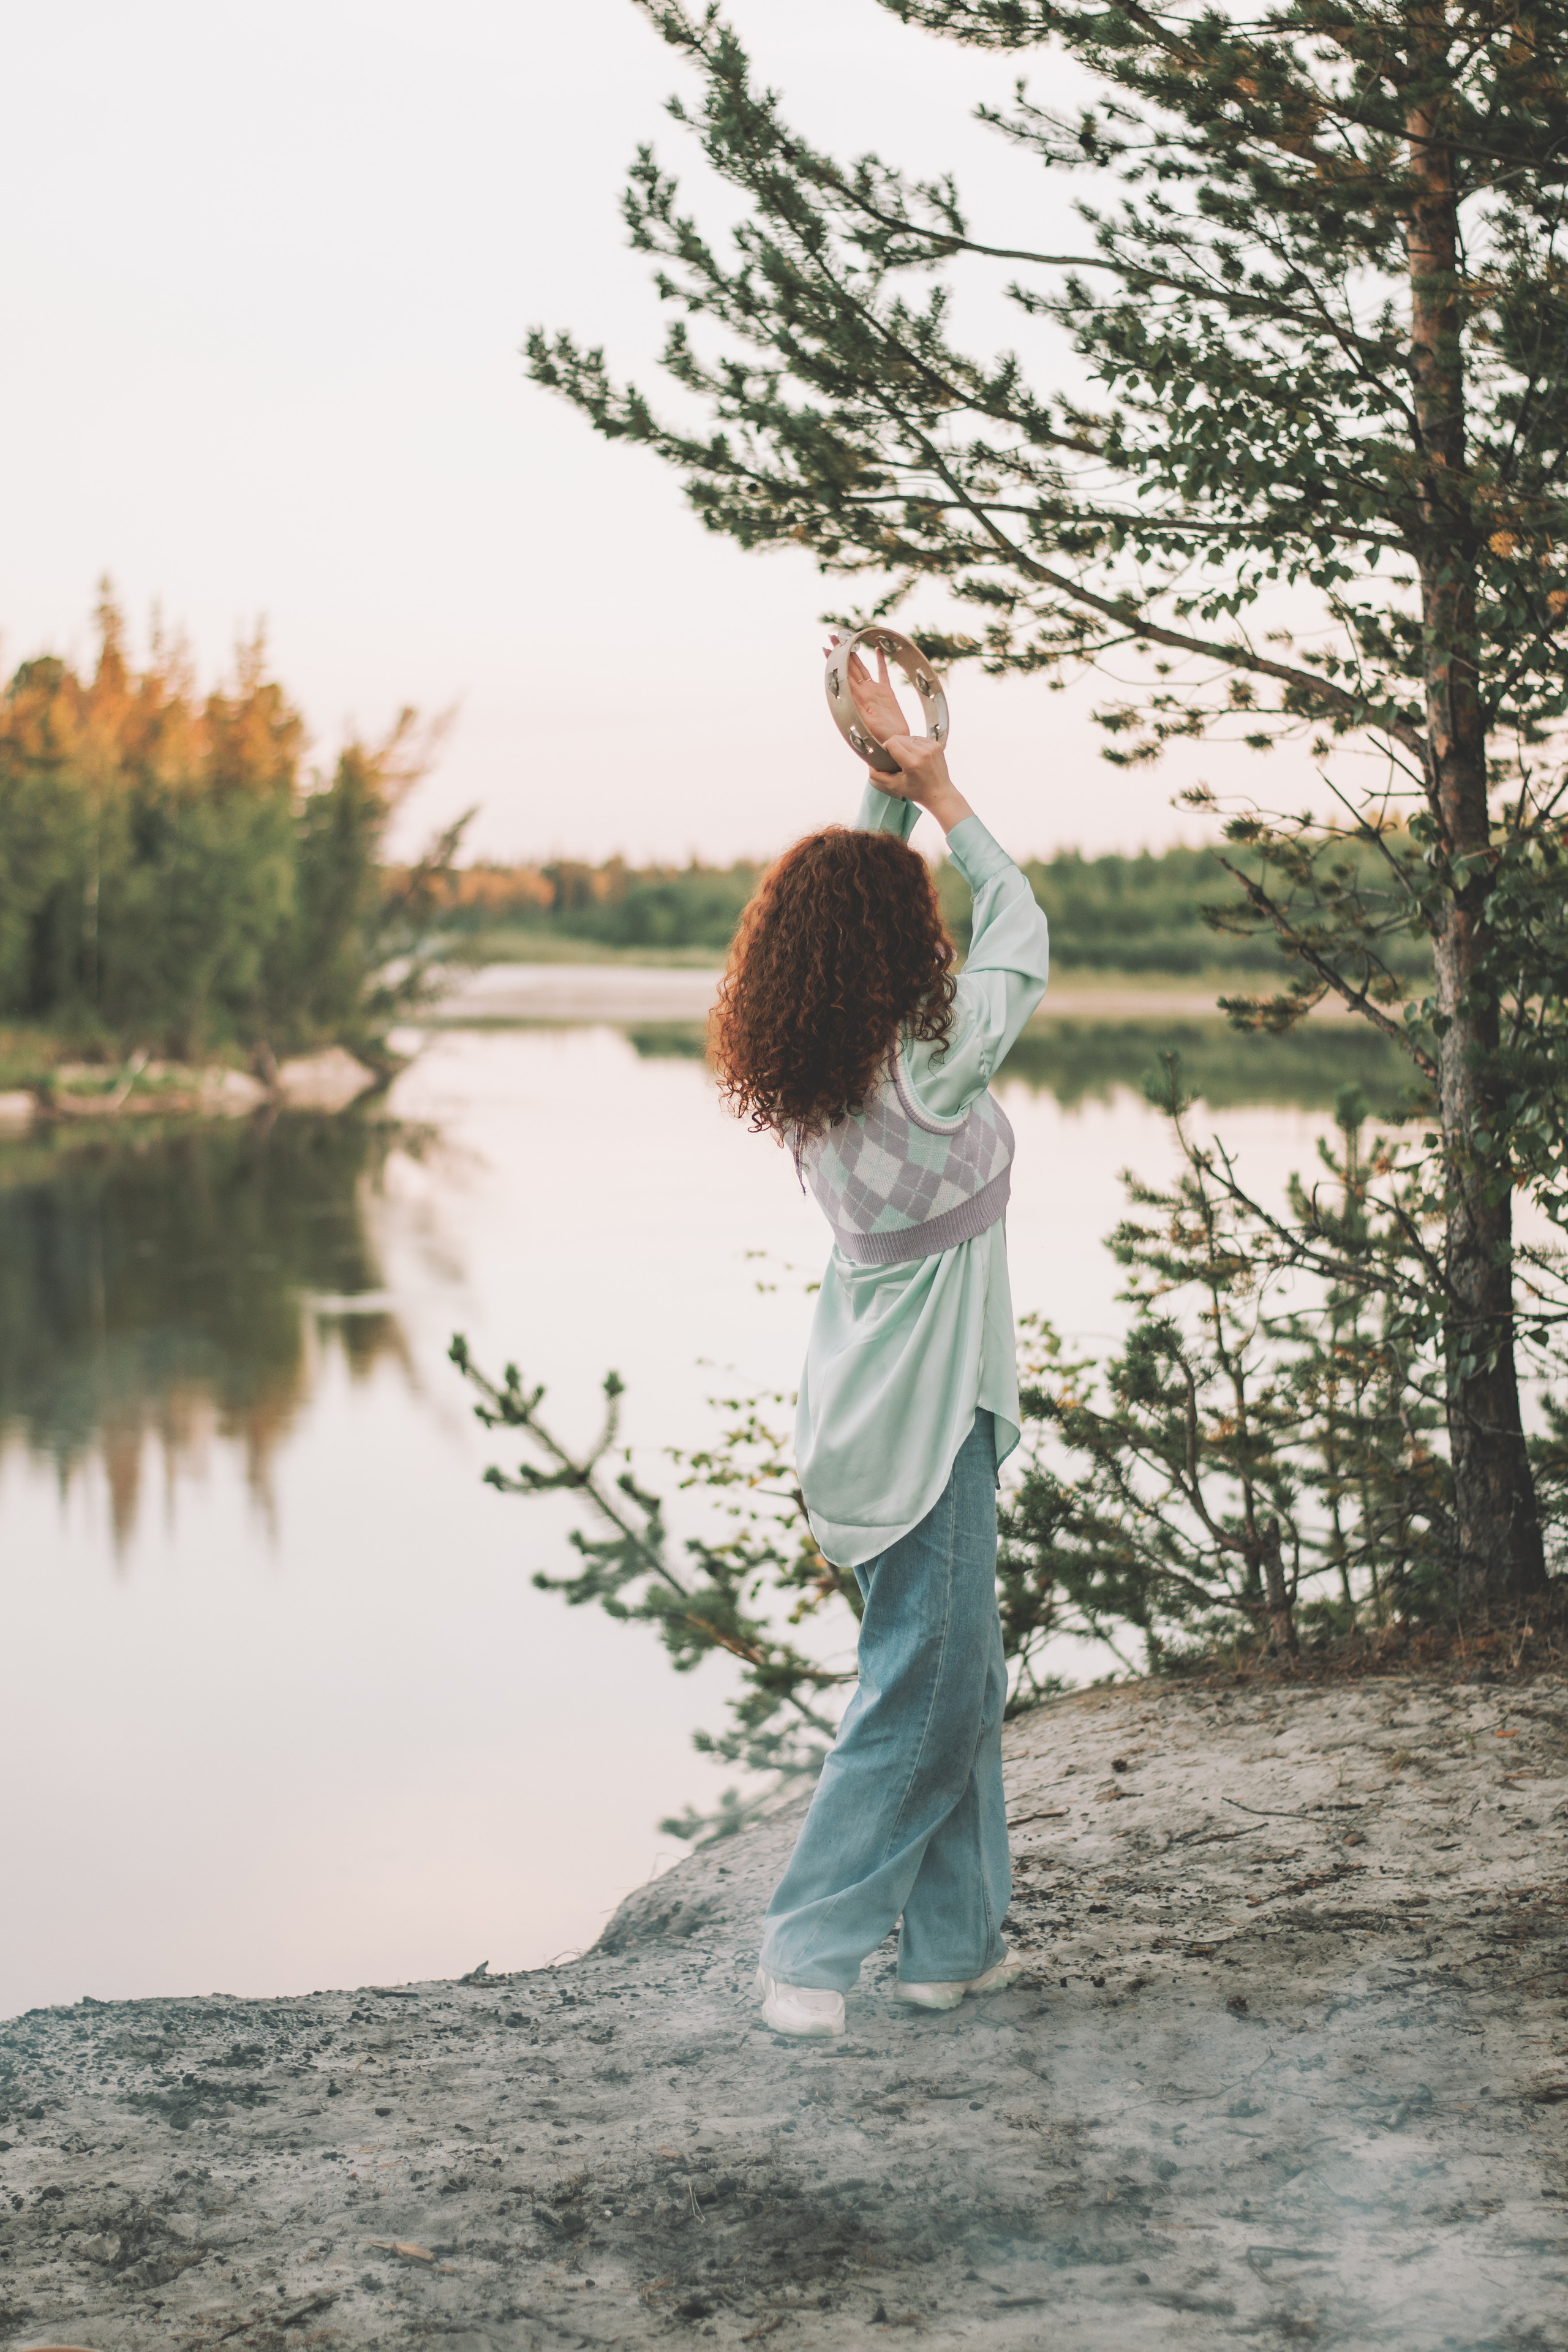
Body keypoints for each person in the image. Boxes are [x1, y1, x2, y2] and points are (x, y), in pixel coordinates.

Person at [710, 647, 1051, 2037]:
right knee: (925, 1689)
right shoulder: (936, 1065)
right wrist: (946, 795)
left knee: (954, 1673)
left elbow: (849, 912)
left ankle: (951, 1950)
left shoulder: (816, 1070)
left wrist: (880, 788)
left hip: (856, 1412)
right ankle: (808, 1952)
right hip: (928, 1426)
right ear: (897, 945)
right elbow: (1020, 923)